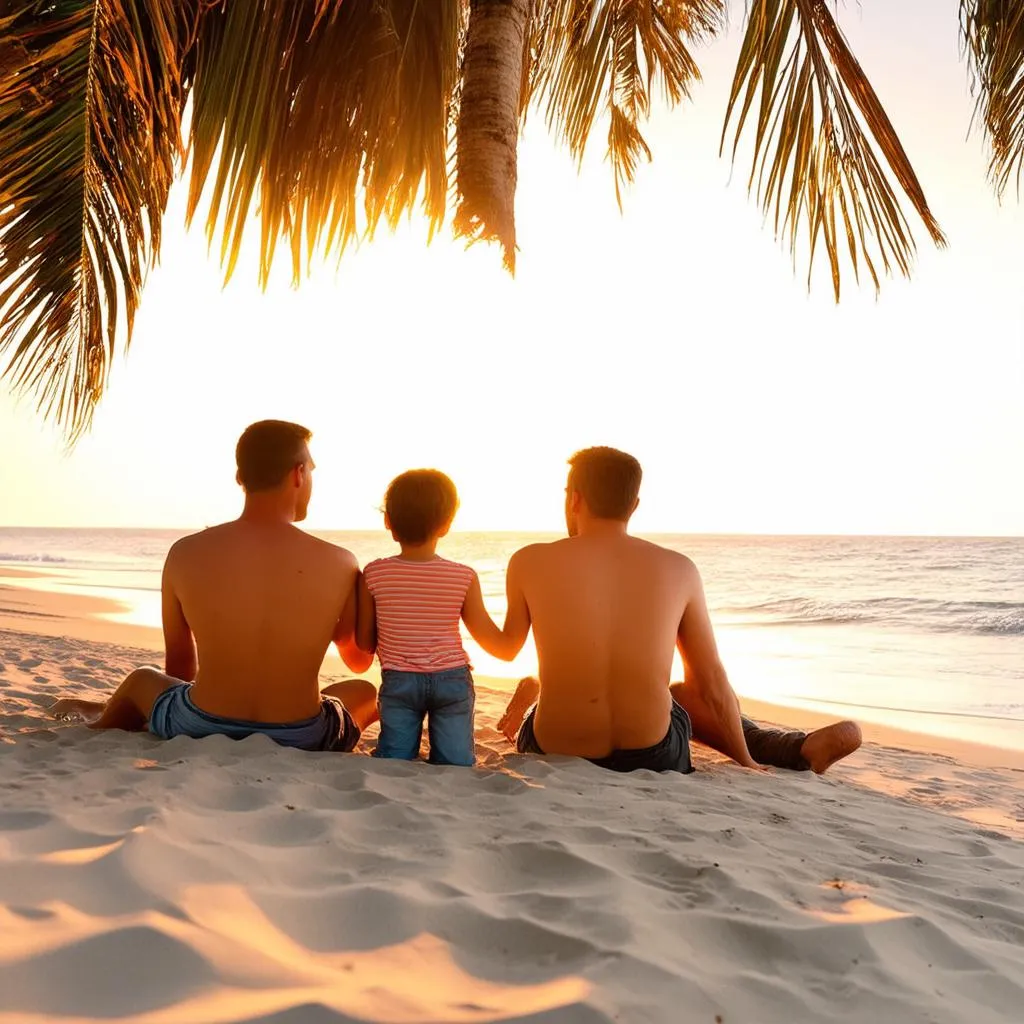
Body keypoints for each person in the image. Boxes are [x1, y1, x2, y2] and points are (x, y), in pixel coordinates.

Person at [494, 447, 862, 774]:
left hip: (556, 748)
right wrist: (746, 761)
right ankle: (789, 748)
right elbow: (711, 680)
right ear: (633, 505)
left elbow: (508, 646)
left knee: (552, 700)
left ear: (573, 499)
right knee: (682, 694)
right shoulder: (678, 568)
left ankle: (535, 691)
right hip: (654, 756)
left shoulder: (529, 560)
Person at [50, 420, 377, 750]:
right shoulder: (341, 561)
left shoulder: (184, 553)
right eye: (312, 471)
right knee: (365, 692)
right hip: (304, 734)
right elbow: (358, 661)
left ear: (240, 477)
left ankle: (96, 722)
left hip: (199, 723)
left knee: (143, 679)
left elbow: (179, 665)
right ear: (298, 474)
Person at [358, 469, 520, 766]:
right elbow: (493, 641)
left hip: (400, 682)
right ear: (446, 525)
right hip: (452, 681)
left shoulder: (374, 573)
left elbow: (365, 642)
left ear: (388, 522)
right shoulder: (463, 576)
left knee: (394, 759)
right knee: (455, 762)